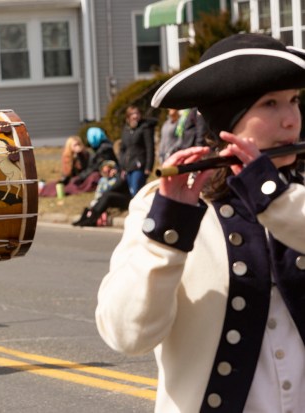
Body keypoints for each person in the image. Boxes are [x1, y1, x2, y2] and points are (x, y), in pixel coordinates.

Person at [96, 33, 305, 412]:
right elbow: (127, 335)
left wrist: (274, 197)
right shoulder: (160, 205)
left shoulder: (299, 198)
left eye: (294, 100)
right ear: (229, 122)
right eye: (270, 104)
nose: (291, 120)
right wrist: (166, 234)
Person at [72, 160, 131, 227]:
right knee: (101, 198)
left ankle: (92, 219)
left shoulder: (120, 176)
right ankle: (85, 218)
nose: (109, 173)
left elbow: (117, 185)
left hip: (125, 198)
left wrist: (116, 175)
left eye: (110, 170)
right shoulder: (103, 180)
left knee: (107, 195)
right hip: (108, 196)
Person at [118, 105, 156, 196]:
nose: (135, 116)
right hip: (128, 167)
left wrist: (148, 167)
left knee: (137, 192)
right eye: (132, 114)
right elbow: (123, 149)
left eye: (137, 113)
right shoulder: (126, 130)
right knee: (131, 193)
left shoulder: (145, 128)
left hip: (140, 166)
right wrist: (122, 165)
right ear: (128, 117)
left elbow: (150, 148)